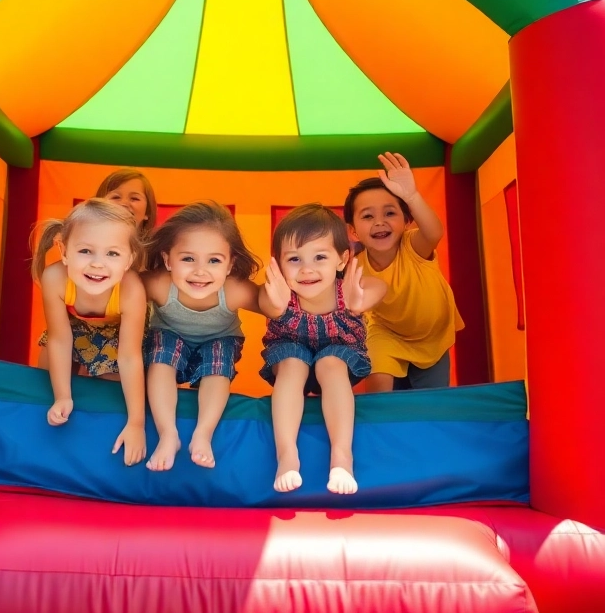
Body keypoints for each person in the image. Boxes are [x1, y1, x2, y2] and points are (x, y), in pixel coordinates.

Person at [259, 204, 386, 495]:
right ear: (278, 263)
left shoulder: (348, 289)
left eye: (319, 256)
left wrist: (359, 303)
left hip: (337, 359)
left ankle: (342, 457)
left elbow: (380, 287)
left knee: (330, 363)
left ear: (342, 260)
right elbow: (263, 302)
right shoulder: (282, 293)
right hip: (292, 357)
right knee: (292, 363)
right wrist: (274, 305)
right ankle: (287, 455)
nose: (306, 269)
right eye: (294, 259)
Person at [141, 202, 263, 471]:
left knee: (218, 365)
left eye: (214, 260)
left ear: (230, 264)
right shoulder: (159, 284)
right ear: (167, 260)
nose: (200, 270)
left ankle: (203, 434)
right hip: (170, 337)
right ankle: (167, 433)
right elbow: (121, 292)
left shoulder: (235, 290)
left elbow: (273, 308)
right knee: (161, 356)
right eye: (187, 258)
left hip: (219, 339)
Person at [31, 198, 148, 466]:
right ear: (64, 250)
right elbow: (60, 339)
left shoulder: (131, 289)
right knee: (47, 361)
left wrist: (137, 423)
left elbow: (129, 357)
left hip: (119, 338)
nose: (98, 264)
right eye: (85, 251)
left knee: (110, 390)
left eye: (112, 254)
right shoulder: (55, 278)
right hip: (75, 330)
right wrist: (62, 395)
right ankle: (47, 417)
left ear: (129, 259)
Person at [344, 152, 464, 393]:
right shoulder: (355, 266)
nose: (379, 222)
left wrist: (411, 196)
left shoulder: (413, 246)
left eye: (390, 213)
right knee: (378, 382)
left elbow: (434, 232)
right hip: (387, 333)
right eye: (368, 216)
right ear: (354, 231)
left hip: (432, 339)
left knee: (431, 402)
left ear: (408, 220)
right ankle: (380, 423)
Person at [95, 168, 158, 241]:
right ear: (99, 207)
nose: (124, 204)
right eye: (116, 197)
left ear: (148, 211)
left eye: (134, 198)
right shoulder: (88, 242)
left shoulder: (156, 250)